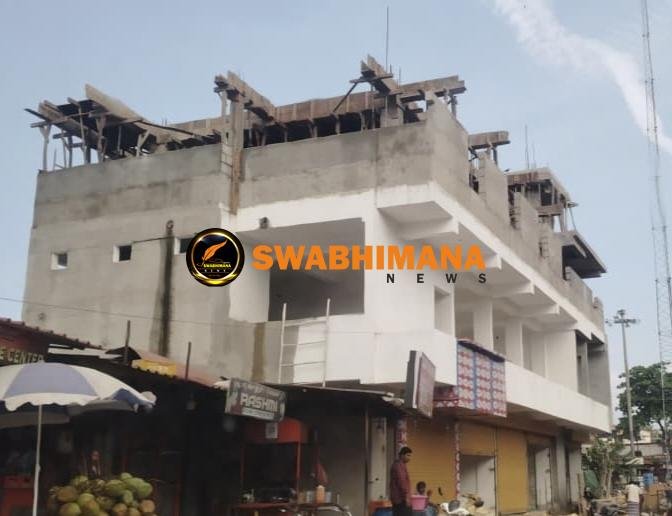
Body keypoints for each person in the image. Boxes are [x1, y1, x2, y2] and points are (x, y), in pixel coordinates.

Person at [390, 446, 413, 516]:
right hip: (401, 499)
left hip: (399, 499)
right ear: (402, 455)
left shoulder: (401, 465)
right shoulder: (398, 466)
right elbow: (402, 482)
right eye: (408, 455)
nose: (409, 458)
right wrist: (406, 497)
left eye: (410, 456)